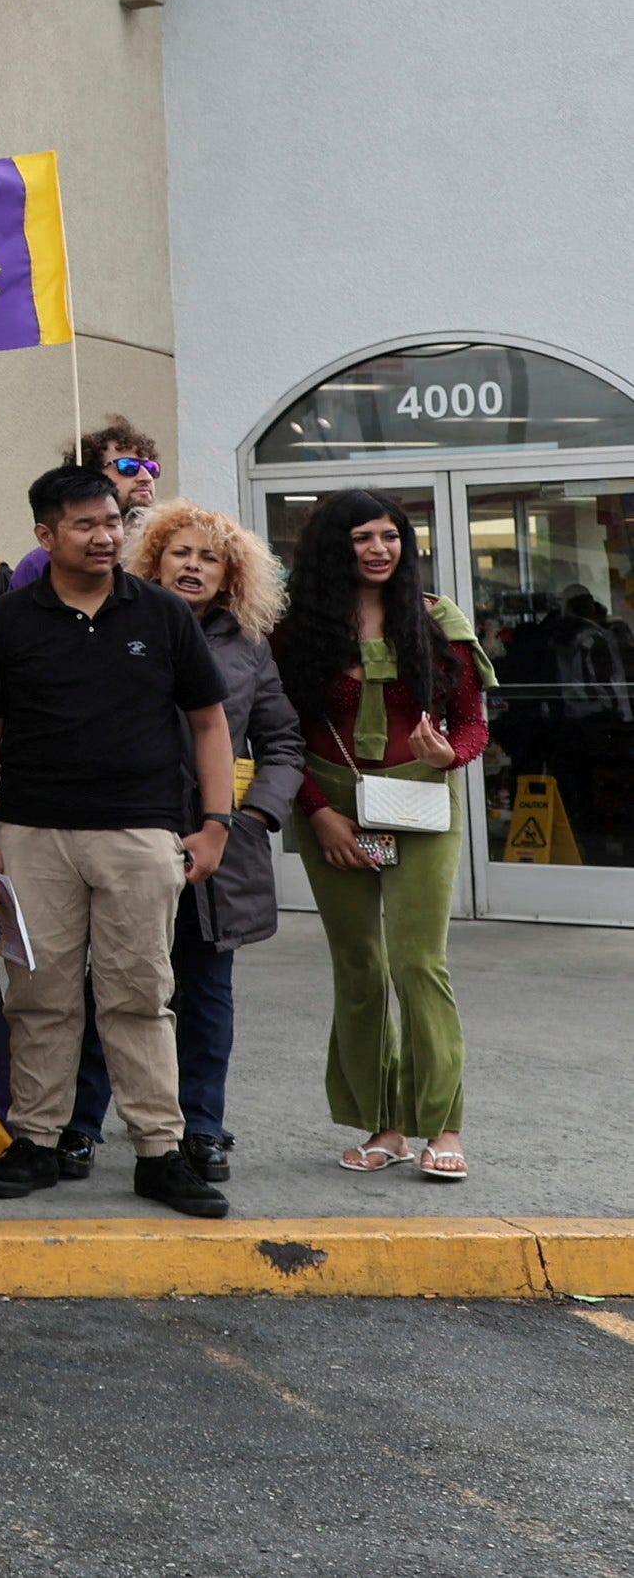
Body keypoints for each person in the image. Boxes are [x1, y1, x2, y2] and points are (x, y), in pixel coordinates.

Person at [0, 465, 235, 1218]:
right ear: (45, 535)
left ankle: (158, 1150)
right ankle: (36, 1140)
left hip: (141, 832)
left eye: (111, 520)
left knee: (140, 994)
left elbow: (208, 720)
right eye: (83, 523)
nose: (104, 534)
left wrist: (216, 822)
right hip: (31, 832)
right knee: (39, 995)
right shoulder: (10, 620)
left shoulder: (161, 613)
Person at [58, 503, 305, 1185]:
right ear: (153, 560)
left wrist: (248, 817)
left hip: (216, 852)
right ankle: (79, 1124)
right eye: (180, 552)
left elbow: (283, 742)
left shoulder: (248, 646)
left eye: (209, 556)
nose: (193, 564)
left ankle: (201, 1125)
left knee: (202, 992)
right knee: (111, 987)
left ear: (231, 576)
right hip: (124, 837)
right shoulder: (112, 626)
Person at [275, 490, 490, 1182]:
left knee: (416, 961)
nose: (377, 548)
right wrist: (316, 811)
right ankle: (386, 1125)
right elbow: (280, 732)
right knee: (359, 967)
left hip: (420, 801)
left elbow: (472, 725)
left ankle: (443, 1124)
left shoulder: (436, 620)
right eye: (361, 536)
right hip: (333, 807)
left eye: (390, 535)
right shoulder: (295, 629)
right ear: (333, 548)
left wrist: (445, 755)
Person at [5, 418, 166, 590]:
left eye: (151, 467)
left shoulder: (171, 552)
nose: (146, 477)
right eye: (128, 467)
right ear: (91, 475)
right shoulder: (42, 565)